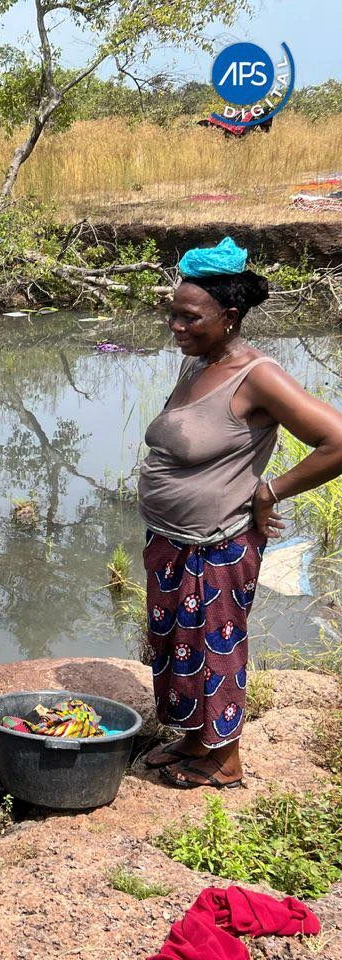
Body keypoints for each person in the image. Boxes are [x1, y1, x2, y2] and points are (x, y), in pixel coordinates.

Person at [139, 237, 342, 788]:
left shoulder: (257, 376)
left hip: (217, 546)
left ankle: (225, 760)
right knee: (176, 645)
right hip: (171, 539)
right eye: (173, 314)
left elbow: (336, 441)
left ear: (229, 317)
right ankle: (193, 738)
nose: (176, 326)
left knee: (214, 648)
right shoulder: (198, 362)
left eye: (190, 317)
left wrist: (271, 490)